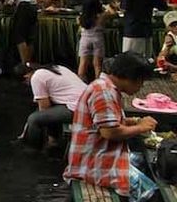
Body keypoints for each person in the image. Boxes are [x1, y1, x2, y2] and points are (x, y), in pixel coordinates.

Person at [64, 52, 158, 197]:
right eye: (141, 81)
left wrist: (134, 121)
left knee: (142, 160)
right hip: (93, 163)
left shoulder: (106, 87)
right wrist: (141, 127)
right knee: (149, 193)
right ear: (131, 77)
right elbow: (109, 132)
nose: (141, 86)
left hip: (99, 152)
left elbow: (107, 122)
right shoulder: (103, 92)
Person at [15, 62, 87, 150]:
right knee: (49, 112)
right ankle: (52, 142)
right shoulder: (56, 68)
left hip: (77, 108)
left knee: (34, 119)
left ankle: (33, 149)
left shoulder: (36, 78)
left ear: (26, 77)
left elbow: (44, 108)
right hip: (85, 101)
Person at [6, 0, 38, 68]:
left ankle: (24, 64)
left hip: (23, 6)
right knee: (29, 37)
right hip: (33, 6)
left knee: (19, 36)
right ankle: (29, 63)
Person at [78, 0, 109, 81]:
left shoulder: (81, 17)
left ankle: (80, 82)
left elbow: (80, 28)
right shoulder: (101, 16)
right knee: (97, 65)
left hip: (84, 39)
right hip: (97, 38)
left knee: (83, 63)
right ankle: (98, 82)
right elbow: (112, 12)